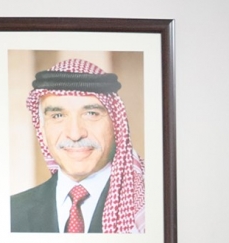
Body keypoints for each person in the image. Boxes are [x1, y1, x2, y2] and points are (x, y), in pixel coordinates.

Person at [11, 58, 145, 233]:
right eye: (58, 116)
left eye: (91, 113)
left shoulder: (148, 207)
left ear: (117, 125)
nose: (75, 134)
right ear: (42, 130)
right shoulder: (11, 212)